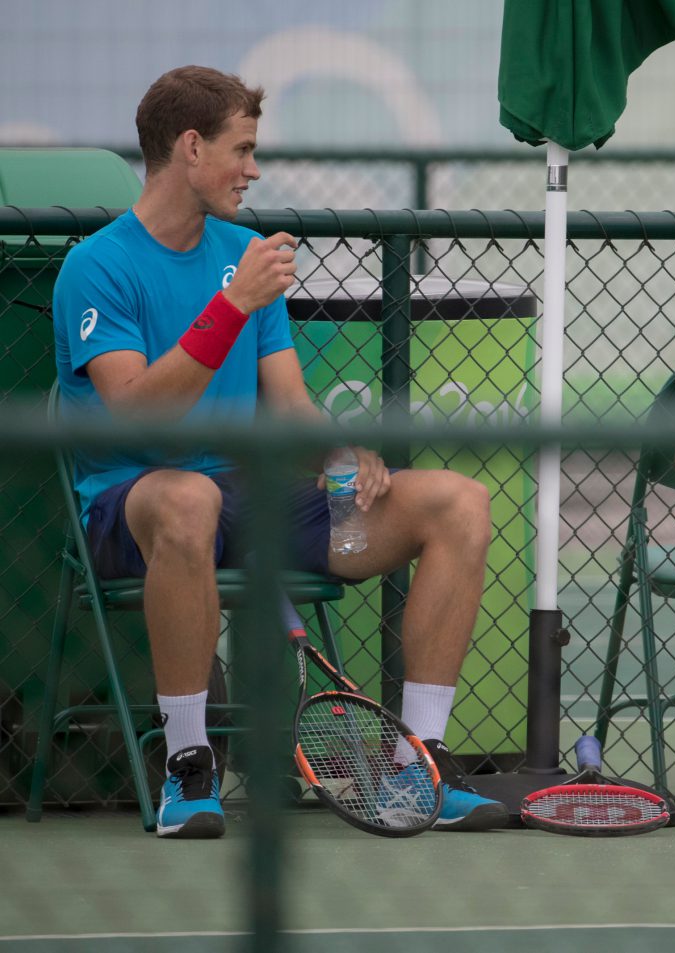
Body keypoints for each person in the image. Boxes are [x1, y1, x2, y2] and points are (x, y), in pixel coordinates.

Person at [52, 66, 507, 838]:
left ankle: (414, 766)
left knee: (459, 501)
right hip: (135, 503)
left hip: (251, 495)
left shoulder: (249, 253)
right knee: (189, 498)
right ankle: (187, 767)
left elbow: (289, 405)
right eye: (243, 149)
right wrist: (231, 305)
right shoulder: (96, 266)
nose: (255, 169)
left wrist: (338, 447)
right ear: (191, 148)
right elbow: (138, 418)